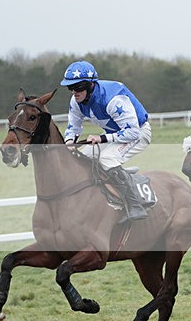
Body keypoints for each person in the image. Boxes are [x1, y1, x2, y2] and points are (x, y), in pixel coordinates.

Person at [60, 60, 151, 223]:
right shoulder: (76, 102)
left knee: (107, 158)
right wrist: (69, 142)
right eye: (70, 87)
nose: (74, 92)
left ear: (91, 85)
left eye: (79, 87)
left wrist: (101, 138)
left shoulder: (113, 99)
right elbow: (73, 127)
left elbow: (132, 131)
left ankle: (134, 204)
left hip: (138, 133)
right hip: (115, 134)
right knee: (84, 157)